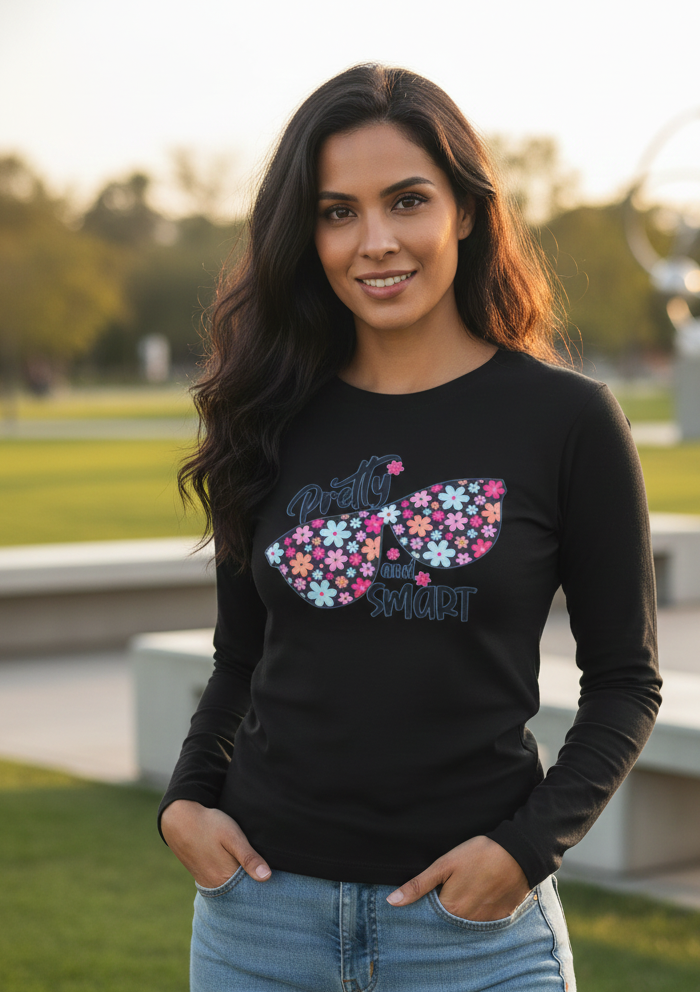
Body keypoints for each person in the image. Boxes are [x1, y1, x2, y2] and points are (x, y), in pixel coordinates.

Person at [159, 63, 662, 991]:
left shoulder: (567, 421)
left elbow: (626, 683)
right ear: (303, 233)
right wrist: (184, 803)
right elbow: (241, 658)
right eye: (337, 211)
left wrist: (524, 851)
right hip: (260, 924)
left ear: (465, 212)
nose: (374, 241)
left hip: (471, 933)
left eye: (406, 201)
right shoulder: (266, 415)